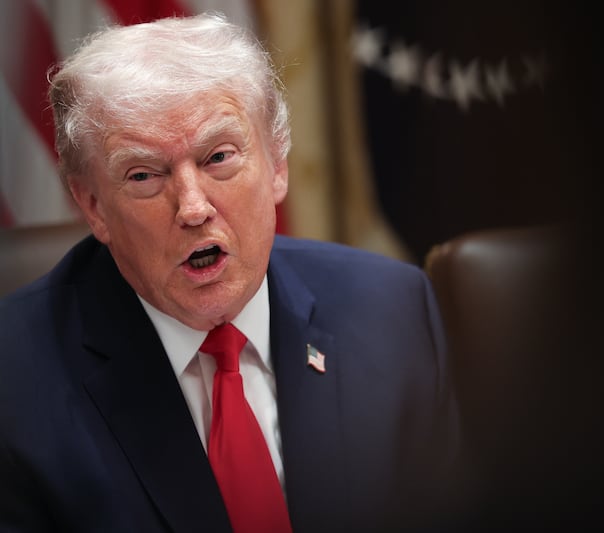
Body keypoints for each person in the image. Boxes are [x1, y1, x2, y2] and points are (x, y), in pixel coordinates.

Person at [0, 14, 459, 532]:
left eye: (219, 157)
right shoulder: (14, 382)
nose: (193, 207)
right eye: (144, 175)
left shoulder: (392, 308)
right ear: (93, 206)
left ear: (277, 165)